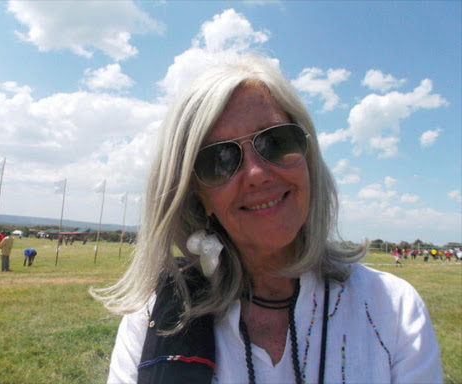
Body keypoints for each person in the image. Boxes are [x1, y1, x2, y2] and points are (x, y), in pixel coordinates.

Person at [94, 55, 442, 383]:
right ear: (198, 196)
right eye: (220, 159)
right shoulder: (155, 317)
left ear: (308, 156)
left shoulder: (391, 310)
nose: (257, 173)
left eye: (276, 141)